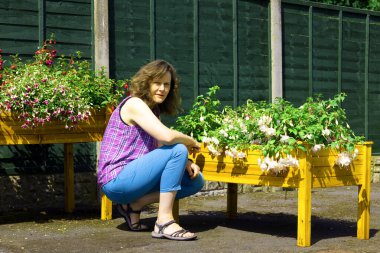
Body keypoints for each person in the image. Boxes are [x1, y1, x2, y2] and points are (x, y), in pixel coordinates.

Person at [97, 59, 204, 241]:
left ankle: (134, 205)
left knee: (195, 181)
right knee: (178, 148)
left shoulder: (153, 111)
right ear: (146, 82)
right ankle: (164, 222)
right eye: (157, 83)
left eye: (166, 84)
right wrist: (191, 141)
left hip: (135, 178)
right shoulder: (134, 104)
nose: (162, 89)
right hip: (116, 179)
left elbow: (159, 145)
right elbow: (167, 138)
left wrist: (186, 162)